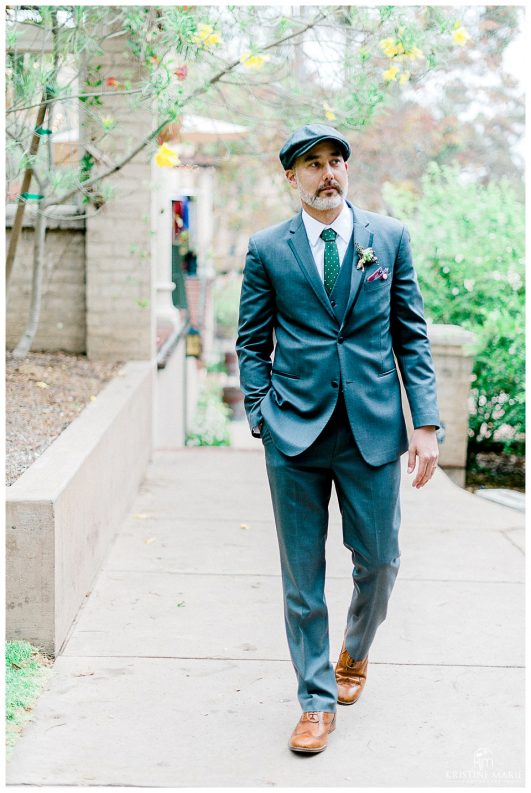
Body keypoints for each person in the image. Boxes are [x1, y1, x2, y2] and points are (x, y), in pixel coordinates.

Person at [236, 123, 440, 754]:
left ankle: (355, 650)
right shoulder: (268, 248)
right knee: (302, 577)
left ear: (347, 170)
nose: (327, 173)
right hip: (293, 432)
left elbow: (412, 334)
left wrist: (425, 424)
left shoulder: (390, 238)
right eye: (312, 165)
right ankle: (316, 702)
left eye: (335, 162)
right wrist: (261, 413)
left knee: (379, 561)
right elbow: (250, 343)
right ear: (291, 178)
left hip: (373, 431)